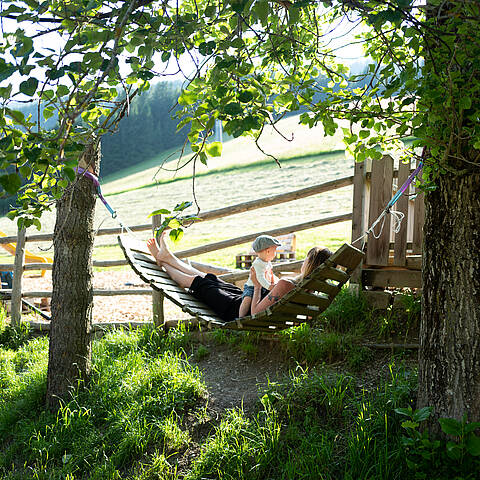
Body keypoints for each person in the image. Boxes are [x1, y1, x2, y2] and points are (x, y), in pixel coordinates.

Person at [146, 233, 332, 322]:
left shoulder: (287, 284)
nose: (303, 261)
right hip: (240, 300)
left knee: (201, 283)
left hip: (235, 311)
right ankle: (168, 258)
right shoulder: (309, 290)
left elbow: (256, 311)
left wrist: (258, 285)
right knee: (211, 279)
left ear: (310, 264)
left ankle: (163, 263)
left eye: (307, 258)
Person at [238, 235, 281, 317]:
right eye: (274, 251)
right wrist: (269, 286)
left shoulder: (267, 262)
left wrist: (276, 281)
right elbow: (260, 278)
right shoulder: (258, 264)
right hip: (251, 287)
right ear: (268, 251)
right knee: (247, 299)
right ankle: (241, 317)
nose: (275, 253)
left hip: (263, 287)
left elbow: (270, 273)